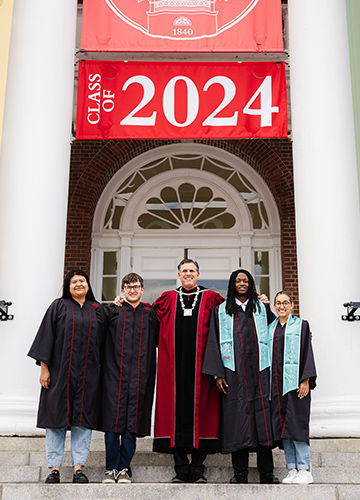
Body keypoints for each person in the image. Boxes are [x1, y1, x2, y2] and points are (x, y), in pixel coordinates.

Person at [28, 270, 106, 484]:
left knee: (83, 421)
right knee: (55, 421)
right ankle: (54, 468)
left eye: (82, 281)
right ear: (67, 286)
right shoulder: (58, 306)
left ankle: (79, 468)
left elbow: (108, 340)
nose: (79, 284)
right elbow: (46, 336)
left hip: (88, 377)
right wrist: (44, 368)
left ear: (88, 285)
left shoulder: (98, 310)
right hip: (59, 375)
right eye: (74, 282)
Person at [202, 269, 279, 484]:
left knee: (262, 422)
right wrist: (218, 374)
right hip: (233, 376)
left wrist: (300, 333)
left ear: (251, 284)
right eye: (238, 281)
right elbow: (213, 342)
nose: (242, 284)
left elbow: (277, 332)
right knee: (237, 424)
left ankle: (266, 473)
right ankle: (240, 474)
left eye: (246, 281)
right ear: (232, 285)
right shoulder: (221, 311)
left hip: (260, 375)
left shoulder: (262, 308)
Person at [152, 259, 224, 483]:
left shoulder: (212, 298)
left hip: (202, 369)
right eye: (184, 271)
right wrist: (121, 304)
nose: (188, 274)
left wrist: (258, 304)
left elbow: (230, 317)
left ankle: (198, 468)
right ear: (179, 275)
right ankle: (180, 468)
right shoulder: (168, 298)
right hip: (172, 369)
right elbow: (146, 320)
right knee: (174, 414)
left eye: (192, 270)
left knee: (203, 414)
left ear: (198, 274)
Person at [101, 273, 158, 484]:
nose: (132, 290)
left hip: (140, 378)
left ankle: (124, 467)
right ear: (122, 290)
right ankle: (110, 468)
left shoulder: (151, 314)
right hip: (113, 376)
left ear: (142, 290)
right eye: (128, 286)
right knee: (112, 424)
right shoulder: (112, 313)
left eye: (136, 286)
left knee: (131, 425)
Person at [269, 291, 317, 485]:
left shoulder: (301, 325)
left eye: (285, 303)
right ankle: (291, 469)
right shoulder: (271, 328)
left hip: (296, 386)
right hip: (277, 387)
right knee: (284, 429)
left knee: (297, 426)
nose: (281, 306)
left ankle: (305, 469)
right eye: (278, 303)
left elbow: (307, 352)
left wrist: (305, 380)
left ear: (292, 305)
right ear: (274, 306)